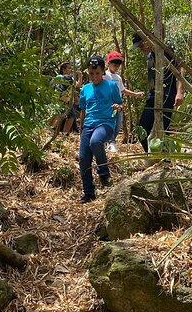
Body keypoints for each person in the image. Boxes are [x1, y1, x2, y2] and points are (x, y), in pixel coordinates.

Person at [78, 56, 123, 203]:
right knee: (84, 158)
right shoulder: (85, 89)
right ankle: (89, 193)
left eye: (97, 73)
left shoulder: (111, 86)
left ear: (103, 71)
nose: (94, 76)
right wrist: (81, 128)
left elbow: (120, 103)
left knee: (96, 141)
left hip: (106, 124)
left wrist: (117, 107)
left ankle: (104, 174)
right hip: (88, 125)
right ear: (88, 73)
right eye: (91, 73)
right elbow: (83, 111)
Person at [132, 32, 184, 152]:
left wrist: (180, 92)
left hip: (167, 97)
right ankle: (153, 158)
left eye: (141, 45)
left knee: (162, 133)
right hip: (152, 98)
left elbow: (180, 68)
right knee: (142, 130)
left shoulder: (165, 51)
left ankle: (165, 160)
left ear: (148, 39)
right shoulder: (150, 56)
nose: (140, 48)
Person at [104, 51, 144, 152]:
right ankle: (111, 142)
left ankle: (109, 142)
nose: (116, 66)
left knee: (118, 124)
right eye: (114, 63)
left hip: (119, 104)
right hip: (109, 104)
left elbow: (122, 90)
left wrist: (135, 94)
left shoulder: (118, 77)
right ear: (108, 63)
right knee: (110, 123)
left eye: (118, 64)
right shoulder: (105, 75)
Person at [51, 62, 83, 133]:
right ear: (63, 69)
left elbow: (78, 85)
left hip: (68, 101)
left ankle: (65, 133)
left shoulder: (70, 78)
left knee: (72, 116)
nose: (70, 70)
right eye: (69, 68)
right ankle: (51, 130)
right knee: (59, 115)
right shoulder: (59, 77)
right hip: (60, 101)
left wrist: (80, 76)